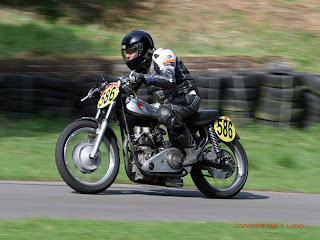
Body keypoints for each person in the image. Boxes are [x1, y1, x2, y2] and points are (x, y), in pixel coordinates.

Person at [121, 30, 202, 166]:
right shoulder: (140, 68)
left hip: (187, 98)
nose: (128, 56)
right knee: (135, 113)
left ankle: (192, 148)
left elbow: (169, 79)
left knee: (163, 112)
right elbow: (128, 90)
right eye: (126, 53)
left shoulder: (163, 56)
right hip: (168, 103)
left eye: (131, 51)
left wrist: (144, 77)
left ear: (141, 49)